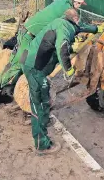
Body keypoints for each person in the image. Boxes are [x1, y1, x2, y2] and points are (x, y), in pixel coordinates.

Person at [0, 0, 103, 111]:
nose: (80, 6)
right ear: (74, 2)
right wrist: (95, 29)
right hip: (28, 36)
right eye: (79, 4)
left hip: (32, 35)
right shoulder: (66, 9)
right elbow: (78, 26)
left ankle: (13, 87)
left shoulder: (61, 0)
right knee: (17, 64)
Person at [20, 8, 80, 154]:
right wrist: (69, 70)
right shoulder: (64, 28)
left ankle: (44, 120)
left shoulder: (60, 21)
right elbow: (62, 48)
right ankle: (41, 144)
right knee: (38, 103)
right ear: (75, 19)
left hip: (34, 63)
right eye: (78, 20)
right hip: (34, 67)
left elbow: (83, 27)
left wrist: (96, 28)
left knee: (45, 98)